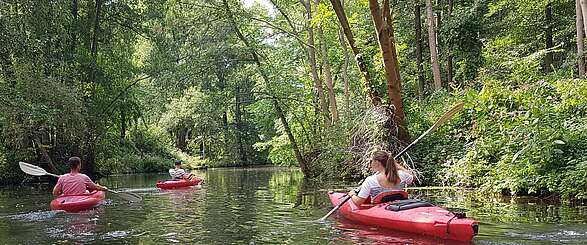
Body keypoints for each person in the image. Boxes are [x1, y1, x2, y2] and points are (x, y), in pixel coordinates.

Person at [347, 150, 414, 205]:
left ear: (377, 162)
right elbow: (411, 177)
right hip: (399, 206)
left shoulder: (371, 180)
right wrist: (398, 166)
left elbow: (358, 202)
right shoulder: (402, 175)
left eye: (371, 161)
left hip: (381, 210)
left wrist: (352, 195)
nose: (370, 163)